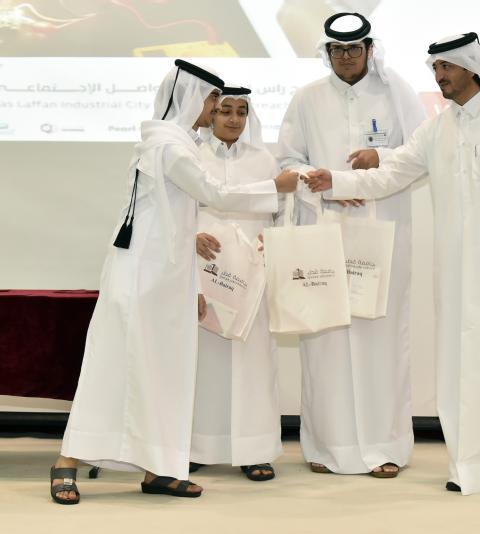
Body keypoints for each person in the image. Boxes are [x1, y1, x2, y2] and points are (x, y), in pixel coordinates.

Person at [304, 32, 480, 496]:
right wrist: (335, 181)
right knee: (462, 369)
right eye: (435, 69)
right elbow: (392, 173)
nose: (439, 76)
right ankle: (470, 467)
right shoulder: (436, 129)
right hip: (456, 274)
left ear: (470, 67)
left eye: (446, 68)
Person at [49, 60, 298, 505]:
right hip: (142, 278)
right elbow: (215, 195)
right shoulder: (169, 148)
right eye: (211, 99)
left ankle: (158, 470)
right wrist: (274, 186)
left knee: (162, 375)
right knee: (112, 371)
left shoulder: (174, 142)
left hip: (165, 276)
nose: (214, 108)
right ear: (189, 98)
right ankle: (65, 463)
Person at [276, 12, 425, 477]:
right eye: (337, 50)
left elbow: (424, 153)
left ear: (369, 50)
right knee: (325, 340)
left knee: (381, 339)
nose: (345, 57)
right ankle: (327, 446)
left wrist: (379, 156)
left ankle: (385, 448)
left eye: (354, 49)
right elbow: (287, 161)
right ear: (327, 52)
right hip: (324, 229)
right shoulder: (307, 98)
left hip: (383, 229)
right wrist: (324, 183)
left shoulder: (398, 93)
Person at [189, 86, 283, 482]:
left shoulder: (264, 159)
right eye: (225, 110)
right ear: (210, 113)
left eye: (241, 111)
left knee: (253, 360)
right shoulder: (192, 154)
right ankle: (198, 446)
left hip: (252, 271)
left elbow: (282, 211)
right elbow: (176, 207)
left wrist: (273, 239)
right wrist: (189, 237)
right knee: (204, 360)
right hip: (203, 267)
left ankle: (254, 450)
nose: (233, 119)